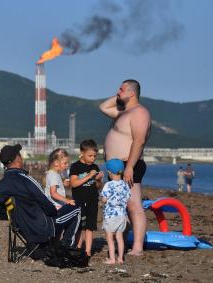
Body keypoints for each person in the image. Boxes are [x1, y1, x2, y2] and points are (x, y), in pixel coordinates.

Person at [0, 144, 81, 250]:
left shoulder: (0, 186)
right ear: (18, 159)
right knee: (77, 208)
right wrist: (54, 213)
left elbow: (1, 214)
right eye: (20, 155)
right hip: (42, 226)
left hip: (20, 228)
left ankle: (52, 245)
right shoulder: (27, 180)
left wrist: (18, 218)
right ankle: (67, 246)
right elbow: (45, 203)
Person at [99, 79, 151, 256]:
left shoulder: (139, 112)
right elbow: (103, 107)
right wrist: (120, 96)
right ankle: (124, 241)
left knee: (134, 205)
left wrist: (129, 166)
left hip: (129, 164)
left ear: (132, 93)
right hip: (115, 167)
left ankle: (137, 247)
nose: (117, 91)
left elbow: (139, 140)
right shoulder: (123, 112)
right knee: (120, 205)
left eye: (121, 89)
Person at [69, 139, 104, 257]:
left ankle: (88, 251)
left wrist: (98, 180)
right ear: (82, 153)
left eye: (94, 156)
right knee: (80, 226)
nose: (92, 159)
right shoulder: (75, 166)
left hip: (92, 200)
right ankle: (78, 248)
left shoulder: (95, 166)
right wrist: (89, 176)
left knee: (90, 227)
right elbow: (73, 184)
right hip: (79, 201)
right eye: (90, 156)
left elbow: (98, 187)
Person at [44, 148, 81, 248]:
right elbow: (53, 194)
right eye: (65, 163)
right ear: (56, 163)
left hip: (54, 210)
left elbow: (53, 190)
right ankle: (68, 243)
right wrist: (67, 200)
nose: (67, 165)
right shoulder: (53, 176)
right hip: (56, 209)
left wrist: (62, 185)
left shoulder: (53, 174)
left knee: (58, 232)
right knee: (78, 211)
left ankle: (55, 247)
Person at [101, 159, 131, 265]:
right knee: (120, 237)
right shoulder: (125, 185)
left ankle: (112, 259)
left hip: (110, 215)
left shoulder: (108, 185)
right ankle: (120, 258)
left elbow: (104, 199)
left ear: (109, 172)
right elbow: (128, 198)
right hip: (122, 215)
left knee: (109, 237)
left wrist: (104, 200)